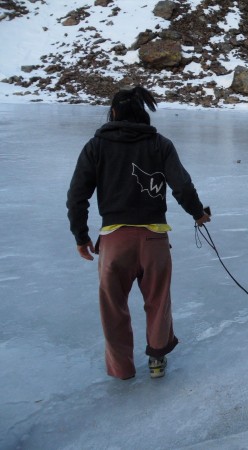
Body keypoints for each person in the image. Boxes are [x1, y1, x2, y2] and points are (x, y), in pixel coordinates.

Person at [66, 86, 210, 380]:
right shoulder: (160, 144)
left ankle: (122, 369)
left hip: (114, 241)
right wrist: (198, 213)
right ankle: (157, 360)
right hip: (154, 238)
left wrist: (81, 236)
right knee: (158, 301)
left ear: (114, 112)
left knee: (113, 308)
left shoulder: (96, 145)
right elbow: (181, 185)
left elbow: (77, 195)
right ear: (143, 113)